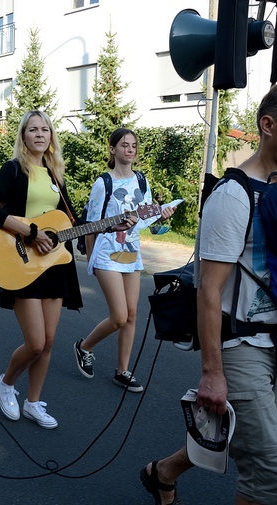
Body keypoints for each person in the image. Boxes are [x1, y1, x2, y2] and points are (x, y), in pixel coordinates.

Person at [142, 75, 277, 505]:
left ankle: (163, 472)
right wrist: (212, 373)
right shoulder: (232, 196)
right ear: (269, 125)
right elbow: (207, 292)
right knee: (270, 480)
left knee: (243, 431)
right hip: (239, 347)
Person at [0, 110, 82, 429]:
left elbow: (71, 223)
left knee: (49, 342)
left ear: (51, 136)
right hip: (22, 262)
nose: (39, 134)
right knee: (36, 342)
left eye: (45, 129)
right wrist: (30, 233)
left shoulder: (55, 175)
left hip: (53, 264)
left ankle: (33, 403)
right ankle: (7, 382)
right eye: (32, 129)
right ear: (23, 136)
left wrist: (118, 223)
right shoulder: (13, 169)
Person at [73, 128, 176, 393]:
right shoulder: (103, 184)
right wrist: (92, 260)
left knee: (131, 315)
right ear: (112, 149)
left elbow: (146, 217)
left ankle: (122, 371)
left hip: (132, 252)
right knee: (119, 316)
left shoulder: (141, 180)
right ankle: (84, 347)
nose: (130, 150)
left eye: (133, 146)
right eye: (124, 145)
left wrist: (161, 215)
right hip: (106, 254)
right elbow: (91, 225)